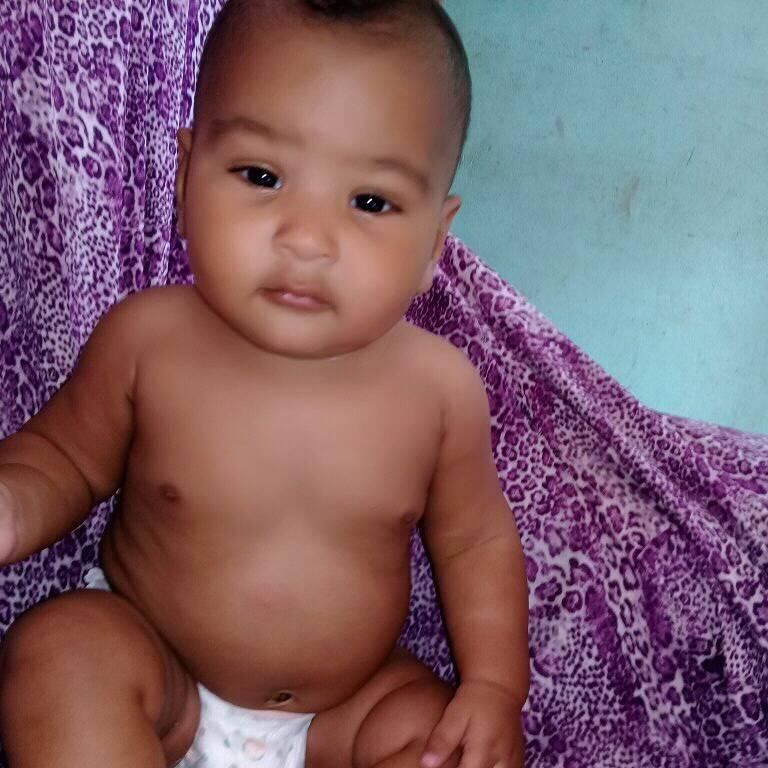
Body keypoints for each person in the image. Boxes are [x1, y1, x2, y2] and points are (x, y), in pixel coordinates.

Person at [0, 1, 529, 766]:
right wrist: (12, 504)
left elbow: (476, 541)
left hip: (347, 712)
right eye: (261, 176)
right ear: (186, 178)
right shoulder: (149, 340)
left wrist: (495, 687)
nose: (306, 240)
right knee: (60, 651)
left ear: (433, 243)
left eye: (370, 202)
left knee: (444, 745)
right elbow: (65, 459)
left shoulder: (440, 393)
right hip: (160, 676)